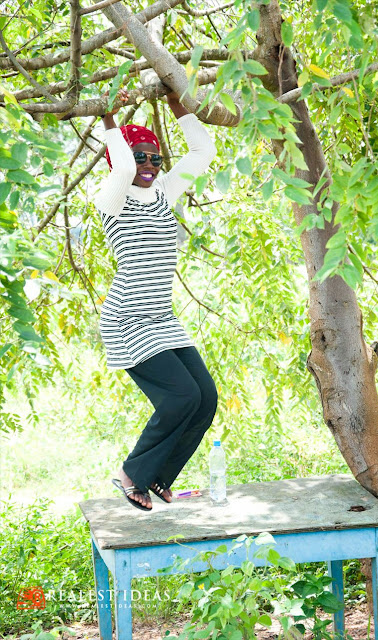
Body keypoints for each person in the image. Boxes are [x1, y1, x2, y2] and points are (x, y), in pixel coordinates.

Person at [94, 87, 218, 512]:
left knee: (205, 397)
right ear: (120, 160)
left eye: (155, 159)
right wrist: (108, 115)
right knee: (181, 396)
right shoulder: (111, 197)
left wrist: (176, 100)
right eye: (140, 158)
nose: (147, 166)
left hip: (162, 317)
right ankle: (132, 473)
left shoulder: (164, 191)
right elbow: (124, 165)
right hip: (127, 318)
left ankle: (160, 476)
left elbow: (203, 151)